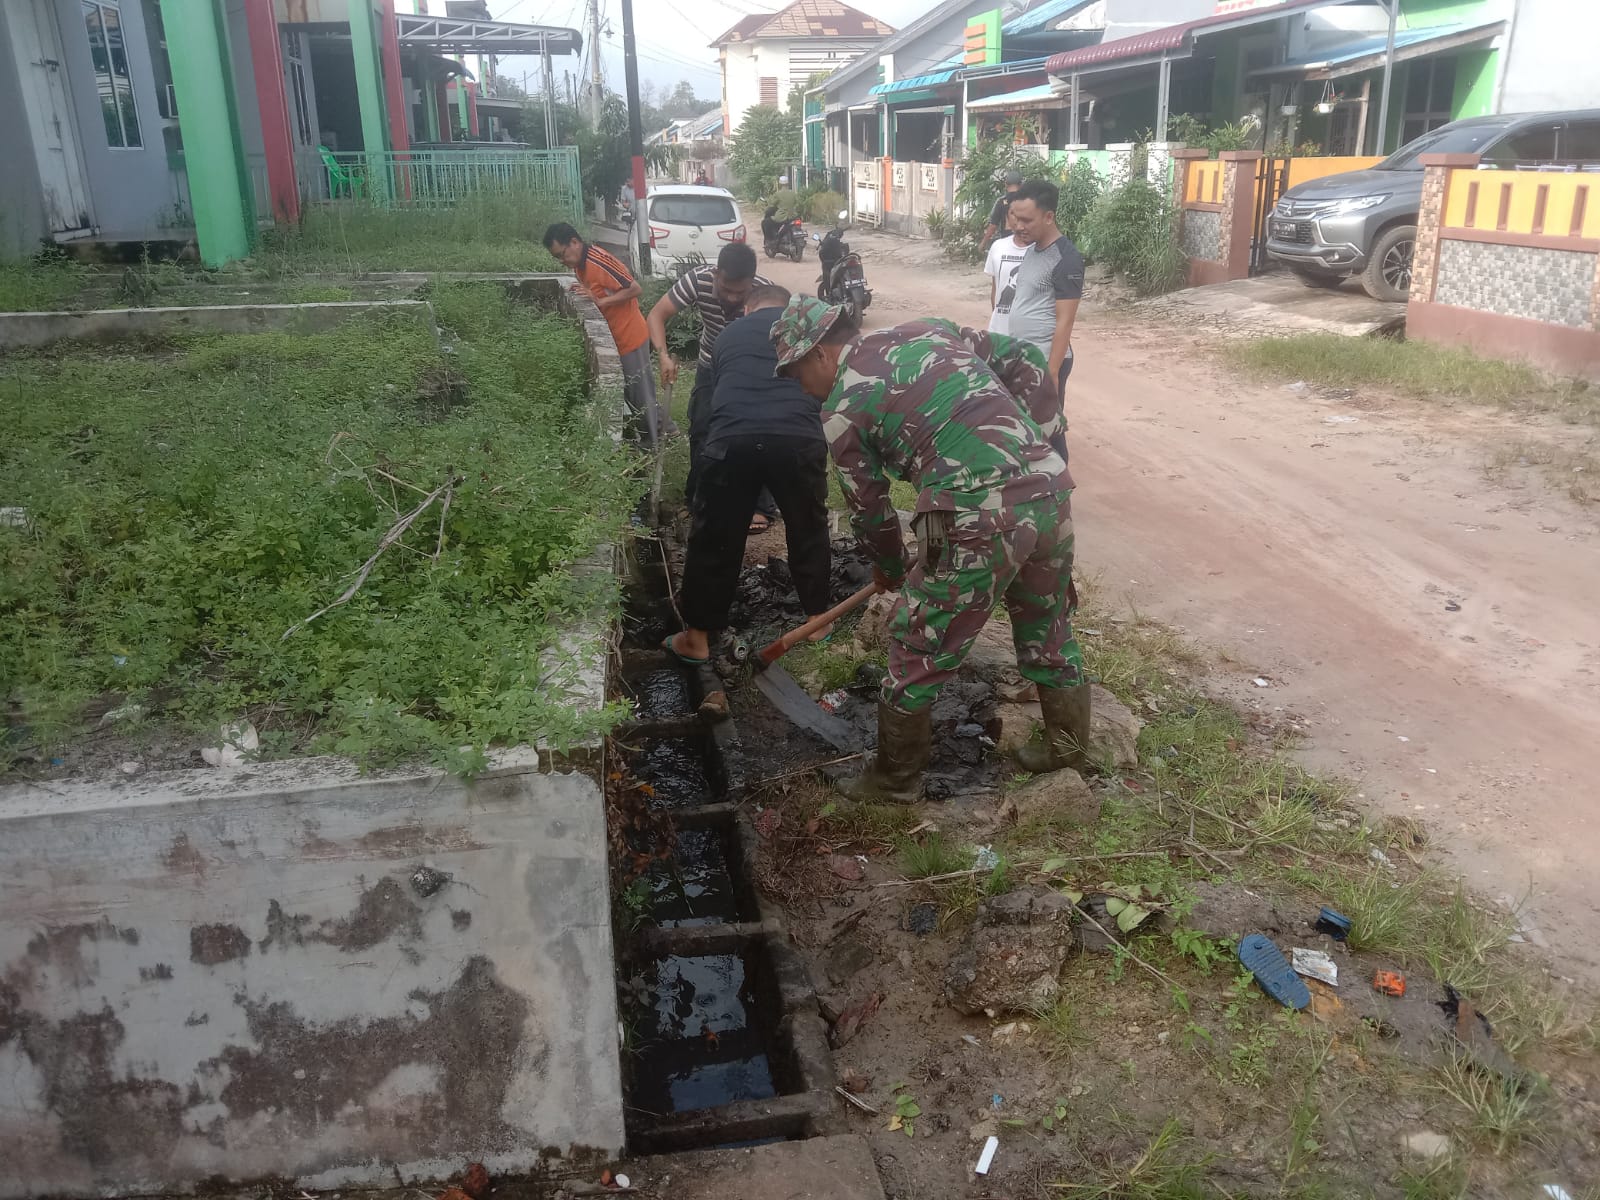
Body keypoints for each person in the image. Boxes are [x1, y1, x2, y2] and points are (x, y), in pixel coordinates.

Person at [772, 296, 1089, 803]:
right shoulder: (930, 329)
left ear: (818, 354)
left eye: (793, 374)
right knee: (1046, 625)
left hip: (962, 509)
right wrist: (1044, 443)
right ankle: (1069, 750)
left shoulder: (840, 410)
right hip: (1047, 490)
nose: (797, 386)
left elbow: (870, 510)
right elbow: (1027, 360)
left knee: (917, 642)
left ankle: (894, 782)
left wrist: (891, 571)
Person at [663, 284, 832, 664]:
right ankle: (817, 620)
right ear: (788, 309)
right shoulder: (803, 332)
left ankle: (698, 638)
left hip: (731, 440)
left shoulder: (727, 335)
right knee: (808, 525)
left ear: (747, 309)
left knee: (714, 535)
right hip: (797, 438)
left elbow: (709, 402)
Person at [646, 243, 779, 531]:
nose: (732, 297)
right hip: (710, 365)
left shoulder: (765, 294)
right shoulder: (698, 280)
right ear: (716, 273)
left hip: (750, 370)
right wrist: (663, 355)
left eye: (739, 293)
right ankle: (699, 498)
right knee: (703, 429)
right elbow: (656, 315)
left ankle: (759, 504)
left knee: (756, 433)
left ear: (752, 283)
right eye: (726, 289)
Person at [542, 223, 675, 444]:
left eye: (562, 254)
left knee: (640, 396)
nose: (562, 261)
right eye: (558, 258)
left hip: (630, 337)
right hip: (618, 338)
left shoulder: (597, 261)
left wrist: (601, 301)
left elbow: (635, 289)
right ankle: (667, 429)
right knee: (638, 393)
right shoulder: (579, 265)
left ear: (574, 242)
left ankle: (653, 443)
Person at [1004, 179, 1085, 457]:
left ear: (1049, 216)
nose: (1018, 226)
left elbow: (1066, 321)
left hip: (1045, 361)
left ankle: (1060, 492)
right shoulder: (1032, 250)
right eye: (1016, 217)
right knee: (1025, 430)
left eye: (1027, 220)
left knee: (1049, 433)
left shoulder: (1067, 259)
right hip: (1024, 357)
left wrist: (1051, 372)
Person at [983, 205, 1030, 336]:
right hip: (999, 332)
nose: (1018, 219)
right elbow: (995, 288)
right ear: (1007, 218)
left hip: (1028, 335)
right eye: (1013, 214)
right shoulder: (998, 247)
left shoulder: (1042, 249)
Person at [981, 170, 1024, 247]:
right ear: (1021, 185)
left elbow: (993, 226)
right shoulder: (1027, 201)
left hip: (1006, 241)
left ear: (1006, 185)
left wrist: (983, 243)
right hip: (1024, 242)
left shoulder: (1001, 201)